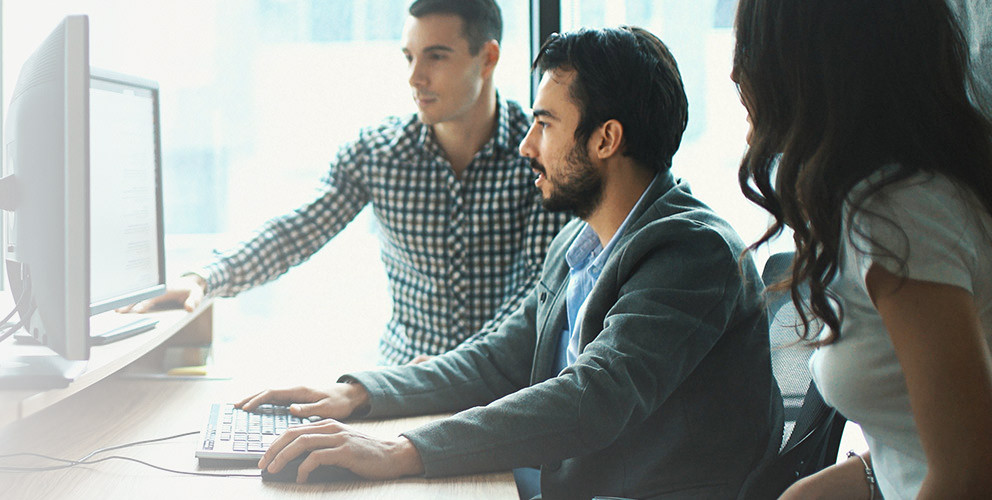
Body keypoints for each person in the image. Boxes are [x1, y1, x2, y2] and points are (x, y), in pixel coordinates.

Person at [236, 26, 780, 499]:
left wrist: (400, 451)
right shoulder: (580, 241)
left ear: (606, 139)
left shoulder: (693, 251)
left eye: (545, 124)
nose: (526, 145)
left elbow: (594, 397)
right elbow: (500, 359)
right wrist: (358, 394)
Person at [121, 0, 573, 365]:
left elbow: (534, 292)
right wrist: (206, 277)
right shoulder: (377, 153)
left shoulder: (536, 150)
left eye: (436, 56)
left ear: (488, 57)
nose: (415, 77)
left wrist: (451, 371)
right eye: (409, 57)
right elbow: (296, 231)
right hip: (398, 383)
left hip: (496, 389)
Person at [732, 0, 992, 497]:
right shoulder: (881, 201)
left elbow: (969, 475)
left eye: (754, 42)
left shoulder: (898, 213)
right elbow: (924, 441)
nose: (736, 70)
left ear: (817, 59)